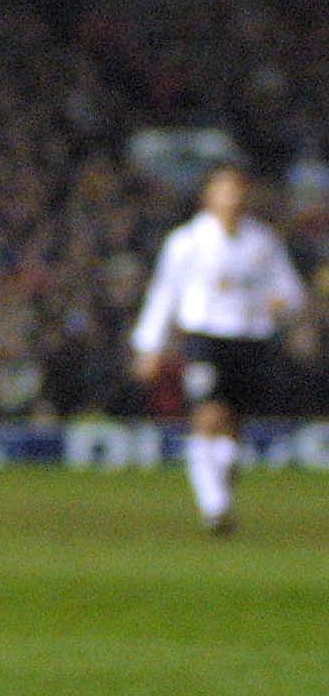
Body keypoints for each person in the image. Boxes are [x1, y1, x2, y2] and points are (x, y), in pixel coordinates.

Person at [129, 164, 307, 535]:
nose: (234, 196)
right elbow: (165, 294)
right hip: (206, 338)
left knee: (232, 427)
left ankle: (220, 491)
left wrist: (278, 304)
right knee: (208, 415)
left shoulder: (262, 241)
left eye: (239, 188)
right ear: (208, 195)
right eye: (225, 188)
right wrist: (150, 347)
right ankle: (215, 508)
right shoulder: (187, 242)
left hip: (251, 339)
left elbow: (290, 292)